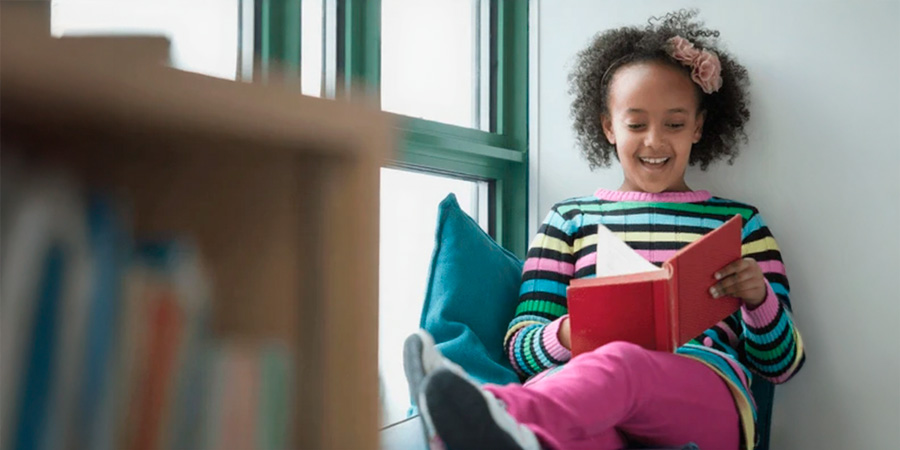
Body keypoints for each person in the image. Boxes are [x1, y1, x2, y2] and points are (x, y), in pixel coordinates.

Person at [403, 10, 806, 450]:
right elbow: (519, 349)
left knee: (623, 364)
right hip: (584, 392)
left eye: (673, 124)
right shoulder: (569, 220)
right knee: (589, 428)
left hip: (704, 395)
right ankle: (505, 433)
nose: (654, 141)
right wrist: (570, 334)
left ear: (699, 126)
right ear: (608, 127)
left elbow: (780, 367)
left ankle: (481, 411)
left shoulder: (740, 225)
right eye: (636, 124)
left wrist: (758, 299)